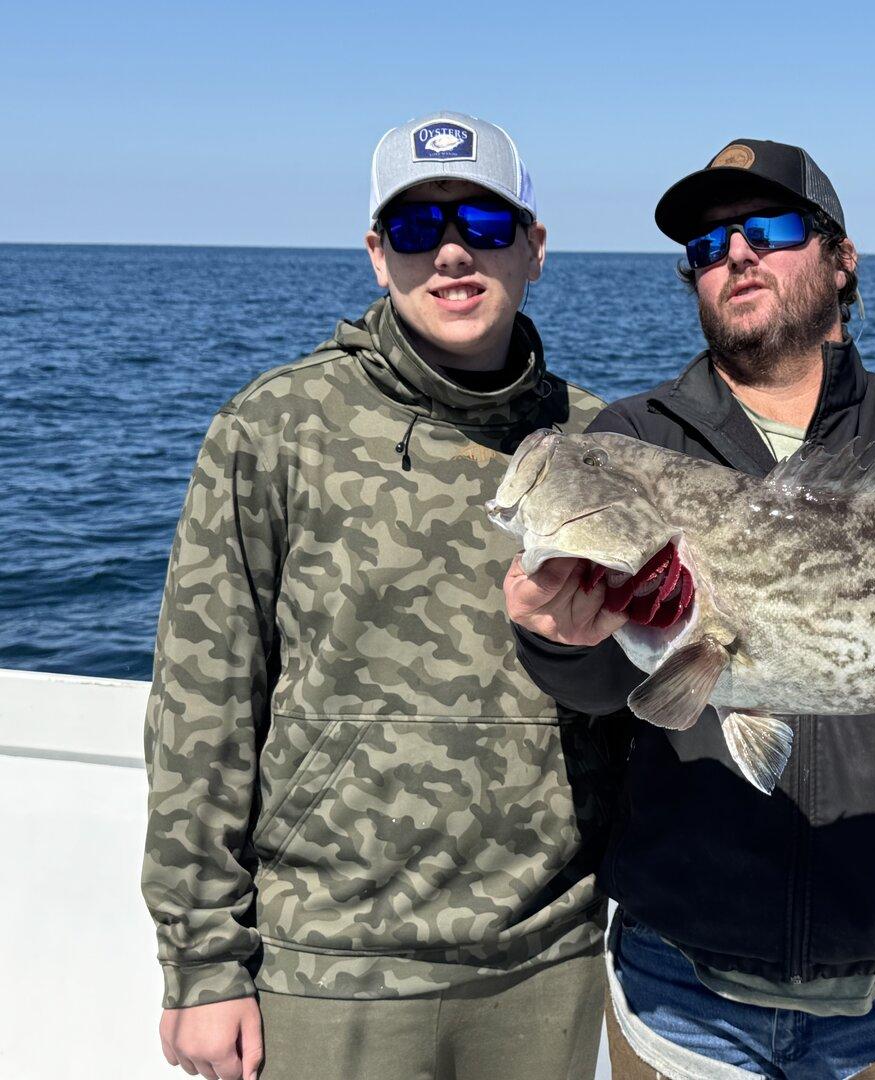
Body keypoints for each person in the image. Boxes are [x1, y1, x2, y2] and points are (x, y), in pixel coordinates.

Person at [505, 139, 875, 1079]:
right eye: (708, 246)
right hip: (684, 992)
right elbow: (598, 684)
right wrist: (551, 636)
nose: (737, 254)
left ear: (841, 256)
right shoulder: (631, 439)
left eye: (770, 229)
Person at [142, 111, 619, 1080]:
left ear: (534, 246)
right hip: (332, 967)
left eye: (484, 225)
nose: (450, 252)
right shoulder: (271, 431)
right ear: (375, 253)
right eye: (415, 228)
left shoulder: (605, 446)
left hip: (548, 960)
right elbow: (202, 712)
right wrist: (202, 963)